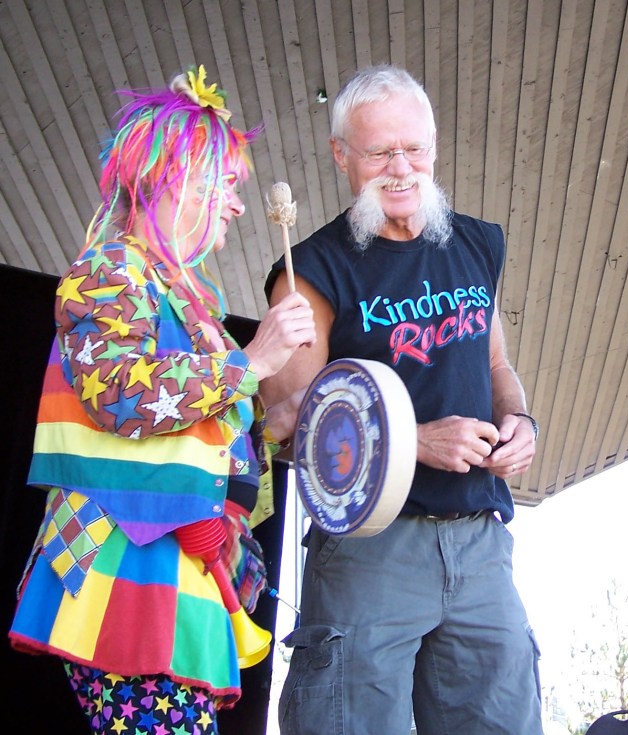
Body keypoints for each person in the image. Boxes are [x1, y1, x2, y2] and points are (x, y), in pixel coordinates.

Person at [8, 66, 316, 734]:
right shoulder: (110, 268)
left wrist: (278, 420)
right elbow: (118, 392)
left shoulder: (190, 300)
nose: (236, 205)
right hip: (127, 564)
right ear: (175, 174)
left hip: (177, 573)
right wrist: (249, 361)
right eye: (226, 185)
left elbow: (201, 442)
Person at [261, 64, 544, 734]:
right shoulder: (311, 268)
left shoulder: (478, 243)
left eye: (414, 148)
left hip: (481, 545)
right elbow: (284, 423)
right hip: (369, 551)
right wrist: (414, 440)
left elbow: (498, 363)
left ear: (435, 147)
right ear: (341, 155)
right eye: (379, 151)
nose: (400, 167)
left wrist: (520, 419)